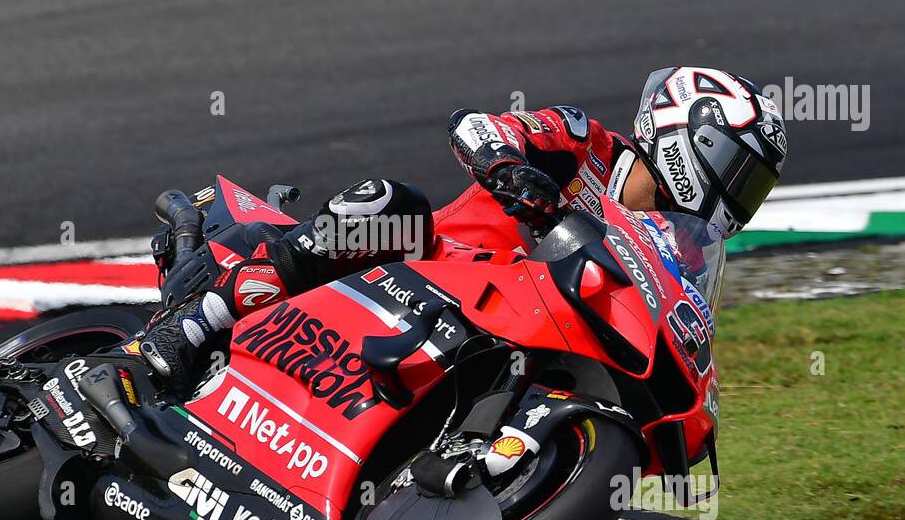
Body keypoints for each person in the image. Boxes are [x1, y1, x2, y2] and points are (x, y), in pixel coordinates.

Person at [141, 66, 788, 391]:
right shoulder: (586, 144)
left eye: (752, 186)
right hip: (423, 270)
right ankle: (194, 321)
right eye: (737, 169)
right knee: (392, 204)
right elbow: (479, 124)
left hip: (497, 330)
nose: (737, 196)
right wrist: (509, 168)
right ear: (686, 135)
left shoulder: (673, 252)